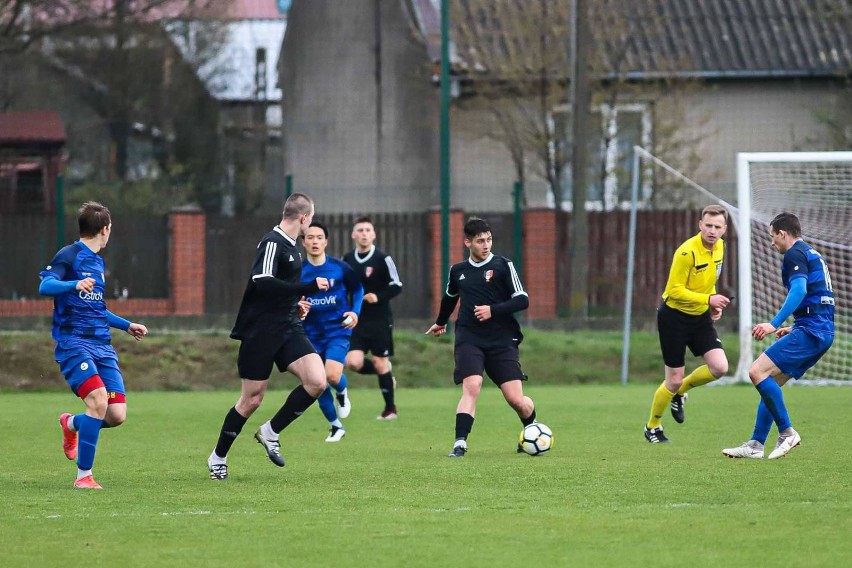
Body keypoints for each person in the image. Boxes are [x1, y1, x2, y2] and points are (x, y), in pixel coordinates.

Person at [207, 193, 330, 480]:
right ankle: (218, 457)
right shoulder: (272, 242)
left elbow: (281, 287)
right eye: (310, 219)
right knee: (251, 400)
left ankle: (270, 432)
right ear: (303, 217)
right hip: (260, 331)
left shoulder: (294, 249)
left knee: (317, 381)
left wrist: (296, 303)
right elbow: (261, 281)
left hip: (287, 327)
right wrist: (308, 287)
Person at [40, 201, 148, 489]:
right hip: (74, 343)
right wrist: (72, 285)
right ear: (105, 229)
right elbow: (45, 286)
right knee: (98, 401)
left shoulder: (97, 263)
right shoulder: (69, 255)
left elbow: (96, 308)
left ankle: (71, 424)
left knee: (116, 415)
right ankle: (83, 476)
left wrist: (127, 325)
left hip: (102, 345)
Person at [722, 212, 834, 459]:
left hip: (812, 331)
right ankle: (755, 445)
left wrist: (775, 323)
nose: (772, 243)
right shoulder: (812, 254)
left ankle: (787, 432)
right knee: (769, 383)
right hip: (821, 331)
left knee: (756, 372)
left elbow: (799, 289)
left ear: (783, 234)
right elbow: (822, 301)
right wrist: (794, 327)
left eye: (773, 237)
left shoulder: (794, 253)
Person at [425, 217, 538, 458]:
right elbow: (450, 298)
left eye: (488, 240)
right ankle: (460, 443)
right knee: (472, 385)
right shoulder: (458, 271)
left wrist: (492, 310)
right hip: (469, 337)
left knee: (516, 400)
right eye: (480, 241)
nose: (486, 245)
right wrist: (441, 322)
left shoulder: (502, 265)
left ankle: (531, 429)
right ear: (467, 242)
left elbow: (523, 299)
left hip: (502, 340)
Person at [644, 204, 733, 443]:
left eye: (717, 227)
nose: (712, 231)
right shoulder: (686, 252)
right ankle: (653, 426)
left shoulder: (721, 247)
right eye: (708, 226)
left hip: (700, 316)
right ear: (700, 226)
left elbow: (709, 281)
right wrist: (708, 299)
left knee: (720, 367)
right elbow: (673, 291)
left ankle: (680, 393)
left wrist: (712, 303)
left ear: (724, 229)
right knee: (672, 379)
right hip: (674, 318)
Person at [301, 221, 364, 442]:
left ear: (326, 242)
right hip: (309, 334)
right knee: (316, 383)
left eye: (319, 237)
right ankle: (336, 426)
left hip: (338, 330)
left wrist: (355, 312)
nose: (315, 241)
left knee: (332, 375)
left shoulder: (339, 268)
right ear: (303, 242)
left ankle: (342, 392)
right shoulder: (298, 272)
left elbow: (358, 289)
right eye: (310, 237)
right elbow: (290, 297)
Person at [343, 216, 403, 420]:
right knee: (352, 362)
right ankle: (384, 374)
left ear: (374, 234)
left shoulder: (382, 259)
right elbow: (342, 286)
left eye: (368, 230)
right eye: (360, 230)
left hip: (380, 320)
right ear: (353, 235)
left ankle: (390, 410)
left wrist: (378, 297)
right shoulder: (348, 259)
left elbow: (397, 285)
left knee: (379, 361)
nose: (364, 234)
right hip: (357, 320)